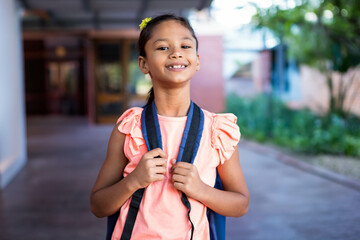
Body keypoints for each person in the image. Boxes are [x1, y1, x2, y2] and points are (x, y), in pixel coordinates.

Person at [90, 14, 250, 240]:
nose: (176, 52)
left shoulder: (217, 131)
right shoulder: (129, 127)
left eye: (185, 45)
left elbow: (240, 204)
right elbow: (98, 205)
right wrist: (133, 181)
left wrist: (201, 190)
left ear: (196, 60)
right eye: (163, 47)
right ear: (143, 64)